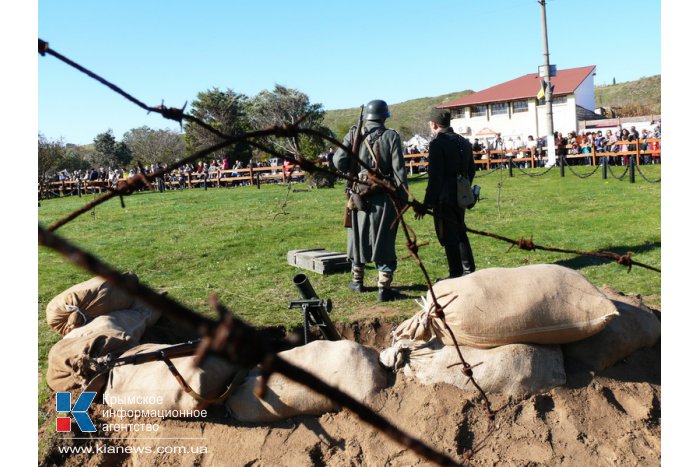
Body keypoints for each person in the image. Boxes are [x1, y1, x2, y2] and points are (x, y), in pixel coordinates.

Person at [332, 99, 407, 302]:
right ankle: (383, 287)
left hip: (357, 197)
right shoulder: (391, 136)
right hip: (383, 197)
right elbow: (399, 172)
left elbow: (338, 161)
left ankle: (357, 281)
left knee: (357, 237)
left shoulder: (354, 133)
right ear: (384, 116)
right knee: (383, 240)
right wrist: (404, 197)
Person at [416, 108, 476, 279]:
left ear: (434, 124)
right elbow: (471, 171)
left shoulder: (437, 144)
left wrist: (426, 204)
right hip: (460, 195)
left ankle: (456, 274)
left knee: (448, 235)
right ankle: (468, 272)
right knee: (460, 231)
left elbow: (435, 178)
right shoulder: (463, 141)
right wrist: (463, 189)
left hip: (445, 197)